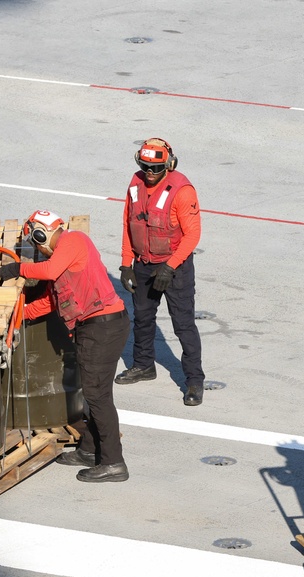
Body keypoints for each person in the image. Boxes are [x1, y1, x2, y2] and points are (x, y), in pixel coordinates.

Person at [0, 211, 131, 483]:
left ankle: (113, 462)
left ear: (40, 234)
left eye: (36, 243)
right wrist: (15, 315)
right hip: (95, 328)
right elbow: (49, 301)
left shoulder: (73, 241)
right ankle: (90, 449)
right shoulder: (63, 258)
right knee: (91, 393)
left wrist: (18, 268)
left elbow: (47, 271)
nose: (38, 250)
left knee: (98, 396)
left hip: (102, 326)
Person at [115, 137, 205, 406]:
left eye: (156, 168)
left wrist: (170, 266)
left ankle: (194, 380)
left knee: (183, 324)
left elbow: (193, 235)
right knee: (142, 318)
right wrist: (125, 264)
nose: (150, 173)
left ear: (169, 164)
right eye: (145, 167)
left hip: (174, 267)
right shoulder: (135, 184)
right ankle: (144, 366)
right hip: (144, 264)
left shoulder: (182, 191)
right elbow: (128, 224)